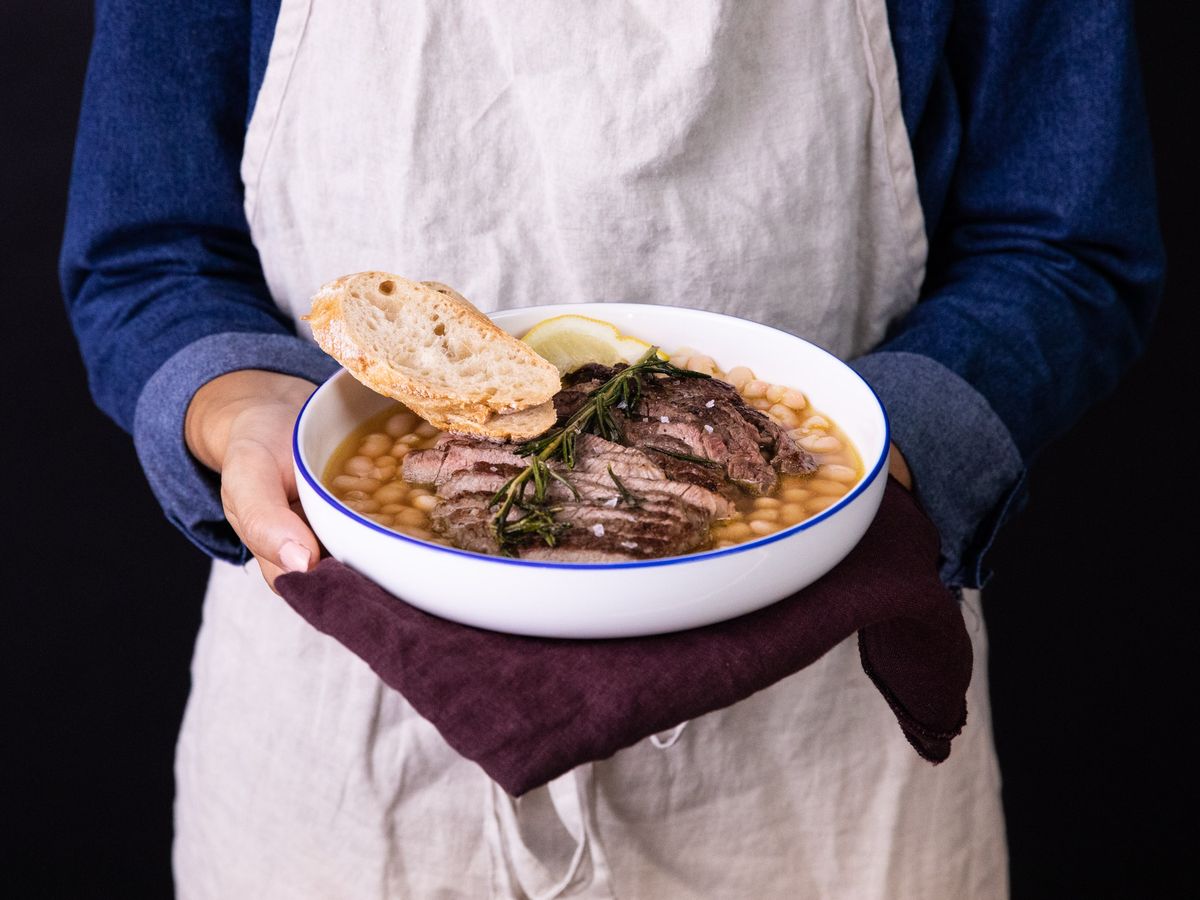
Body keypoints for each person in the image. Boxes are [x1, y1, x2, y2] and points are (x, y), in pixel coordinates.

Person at [61, 1, 1162, 896]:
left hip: (822, 754)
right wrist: (249, 410)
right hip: (346, 767)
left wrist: (862, 477)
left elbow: (1065, 245)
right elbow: (149, 252)